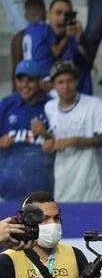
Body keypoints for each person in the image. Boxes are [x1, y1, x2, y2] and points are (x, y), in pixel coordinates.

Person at [37, 61, 102, 204]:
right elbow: (53, 140)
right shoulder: (50, 107)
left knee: (96, 225)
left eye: (70, 81)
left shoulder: (93, 104)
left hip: (92, 185)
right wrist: (46, 140)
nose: (65, 86)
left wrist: (75, 141)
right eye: (60, 82)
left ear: (77, 82)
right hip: (64, 185)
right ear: (54, 85)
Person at [0, 60, 52, 200]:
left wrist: (46, 134)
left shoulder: (51, 106)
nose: (24, 85)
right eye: (20, 79)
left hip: (43, 186)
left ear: (40, 81)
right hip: (8, 186)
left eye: (30, 80)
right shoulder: (5, 105)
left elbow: (62, 144)